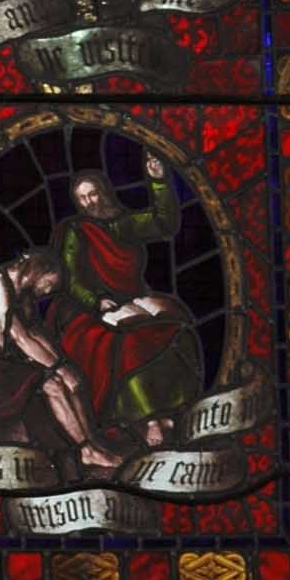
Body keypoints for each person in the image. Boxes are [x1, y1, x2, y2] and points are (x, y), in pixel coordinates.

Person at [47, 157, 205, 450]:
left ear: (105, 192)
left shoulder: (125, 225)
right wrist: (97, 300)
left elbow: (164, 223)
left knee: (175, 327)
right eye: (82, 199)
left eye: (93, 194)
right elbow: (71, 277)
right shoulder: (76, 231)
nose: (90, 203)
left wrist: (159, 181)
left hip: (133, 302)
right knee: (125, 343)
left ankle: (171, 411)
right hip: (86, 310)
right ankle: (147, 420)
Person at [0, 246, 124, 476]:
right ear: (37, 273)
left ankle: (93, 442)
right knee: (53, 385)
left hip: (4, 360)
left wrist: (63, 365)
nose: (48, 291)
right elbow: (22, 338)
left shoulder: (23, 292)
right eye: (49, 284)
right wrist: (58, 369)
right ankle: (85, 451)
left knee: (74, 381)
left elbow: (36, 334)